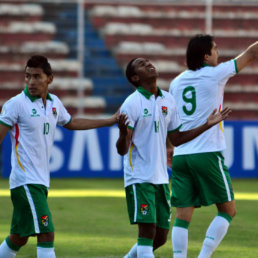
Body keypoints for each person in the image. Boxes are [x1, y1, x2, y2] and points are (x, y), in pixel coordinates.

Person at [0, 55, 119, 258]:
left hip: (41, 181)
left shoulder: (54, 103)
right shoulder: (16, 104)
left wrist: (108, 121)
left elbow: (71, 123)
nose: (31, 82)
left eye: (37, 77)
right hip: (26, 181)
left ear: (50, 79)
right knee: (46, 233)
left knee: (19, 236)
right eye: (28, 76)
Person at [116, 57, 231, 258]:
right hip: (140, 177)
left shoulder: (168, 100)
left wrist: (207, 124)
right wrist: (122, 134)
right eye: (142, 65)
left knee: (160, 237)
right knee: (147, 233)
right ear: (135, 77)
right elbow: (122, 150)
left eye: (148, 61)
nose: (149, 64)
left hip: (160, 178)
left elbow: (177, 139)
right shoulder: (131, 103)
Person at [169, 34, 258, 258]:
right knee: (228, 210)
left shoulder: (176, 82)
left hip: (181, 155)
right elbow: (252, 53)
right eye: (215, 49)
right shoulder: (215, 74)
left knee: (182, 216)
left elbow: (172, 121)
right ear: (206, 55)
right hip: (206, 153)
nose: (218, 52)